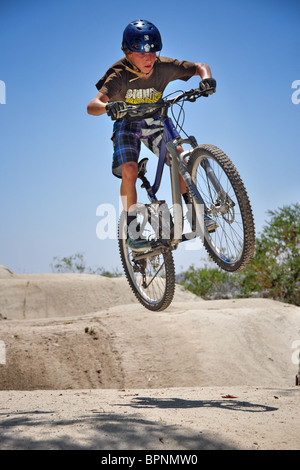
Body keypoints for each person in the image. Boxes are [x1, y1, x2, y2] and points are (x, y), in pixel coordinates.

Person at [87, 19, 217, 251]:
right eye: (140, 53)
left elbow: (200, 66)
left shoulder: (164, 66)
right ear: (127, 52)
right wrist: (108, 107)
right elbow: (92, 105)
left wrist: (206, 79)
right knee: (129, 169)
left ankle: (196, 212)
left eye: (153, 52)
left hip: (156, 122)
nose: (149, 58)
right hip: (126, 124)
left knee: (180, 158)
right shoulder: (118, 75)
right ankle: (132, 229)